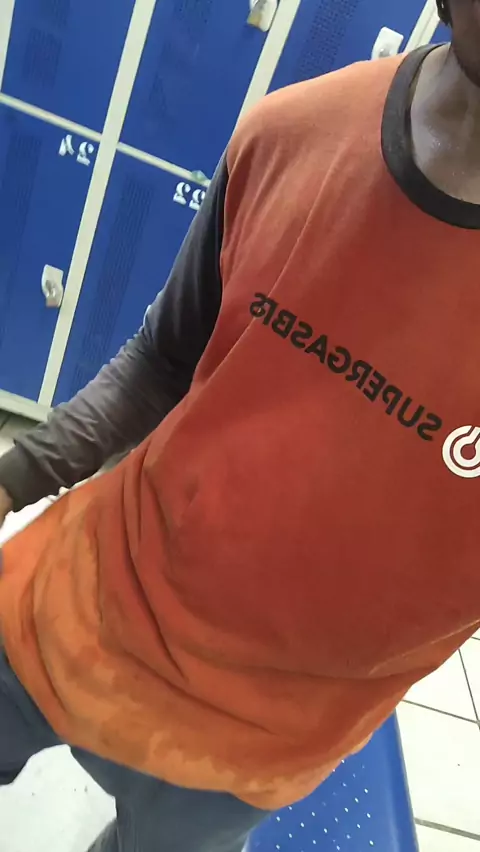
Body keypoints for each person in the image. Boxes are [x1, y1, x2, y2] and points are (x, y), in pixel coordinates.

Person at [0, 1, 479, 849]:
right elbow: (163, 359)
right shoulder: (293, 131)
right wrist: (14, 475)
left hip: (256, 745)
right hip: (84, 594)